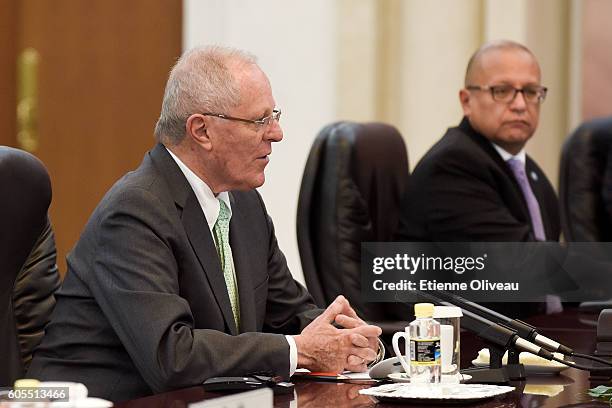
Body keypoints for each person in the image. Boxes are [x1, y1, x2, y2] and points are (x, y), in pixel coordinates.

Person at [28, 46, 382, 401]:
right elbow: (173, 356)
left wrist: (348, 340)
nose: (277, 134)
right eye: (259, 121)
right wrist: (300, 350)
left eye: (274, 116)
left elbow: (289, 314)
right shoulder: (135, 211)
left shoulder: (243, 203)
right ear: (201, 130)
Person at [395, 40, 561, 317]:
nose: (520, 104)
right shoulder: (452, 166)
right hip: (465, 347)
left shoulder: (527, 170)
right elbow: (520, 265)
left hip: (531, 335)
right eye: (502, 91)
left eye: (531, 91)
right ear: (466, 100)